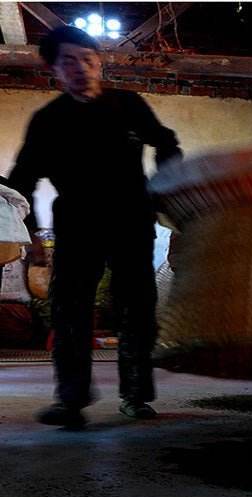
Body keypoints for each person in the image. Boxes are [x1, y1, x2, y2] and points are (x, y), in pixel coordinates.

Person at [8, 25, 182, 428]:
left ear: (99, 63)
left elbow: (166, 141)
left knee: (136, 307)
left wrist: (166, 186)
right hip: (77, 225)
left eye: (89, 59)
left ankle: (136, 396)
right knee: (69, 309)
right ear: (55, 69)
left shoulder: (128, 105)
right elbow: (24, 179)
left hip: (132, 221)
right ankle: (71, 400)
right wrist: (32, 234)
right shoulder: (48, 120)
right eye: (69, 61)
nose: (82, 69)